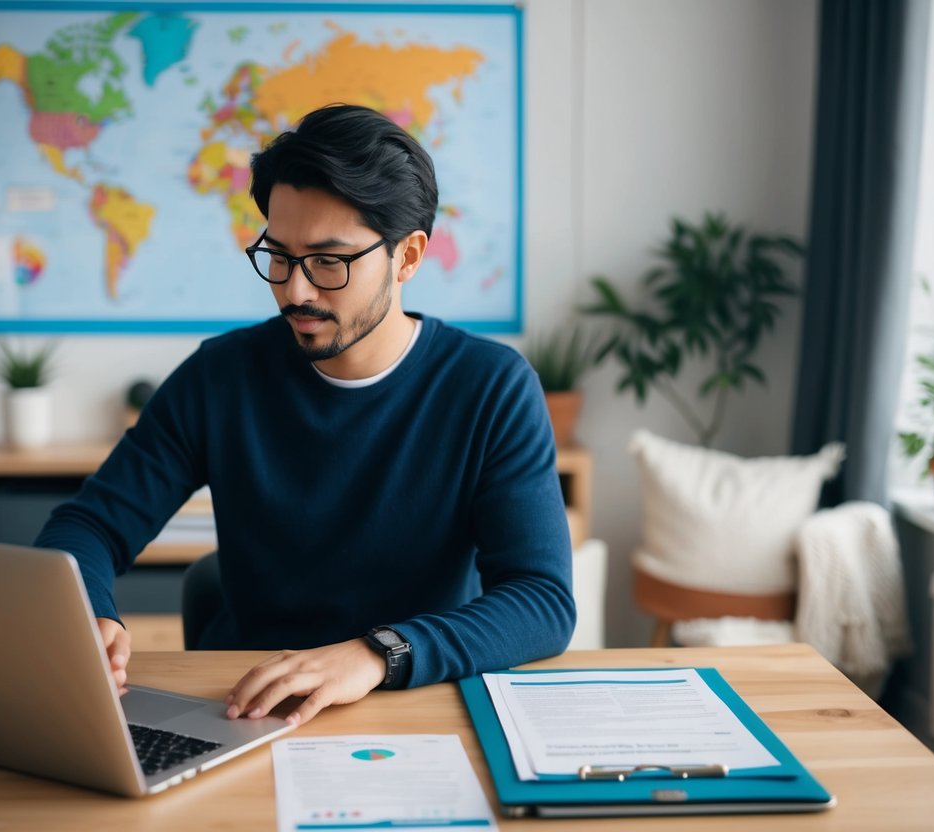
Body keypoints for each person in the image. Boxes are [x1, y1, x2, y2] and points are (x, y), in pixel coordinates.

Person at [34, 104, 575, 728]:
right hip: (246, 706)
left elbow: (540, 601)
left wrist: (376, 654)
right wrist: (91, 611)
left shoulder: (490, 387)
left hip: (414, 698)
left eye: (328, 261)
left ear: (408, 257)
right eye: (280, 256)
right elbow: (88, 526)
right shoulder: (222, 376)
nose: (295, 290)